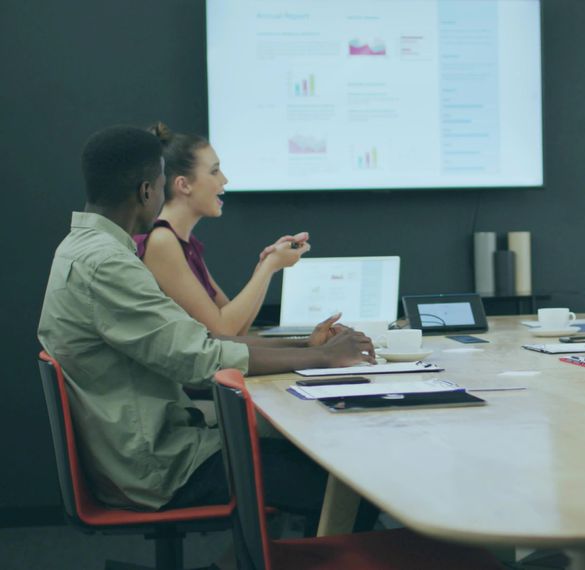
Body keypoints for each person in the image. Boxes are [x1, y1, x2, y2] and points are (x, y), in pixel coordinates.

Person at [38, 125, 375, 514]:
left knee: (323, 455)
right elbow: (201, 357)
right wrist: (322, 359)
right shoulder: (108, 263)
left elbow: (202, 336)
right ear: (148, 191)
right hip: (164, 464)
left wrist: (306, 347)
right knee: (353, 486)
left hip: (147, 443)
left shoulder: (81, 249)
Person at [136, 122, 309, 336]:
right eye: (214, 171)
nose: (224, 179)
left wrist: (267, 266)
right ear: (183, 185)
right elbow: (223, 330)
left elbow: (238, 329)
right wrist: (270, 265)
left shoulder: (184, 244)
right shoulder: (162, 241)